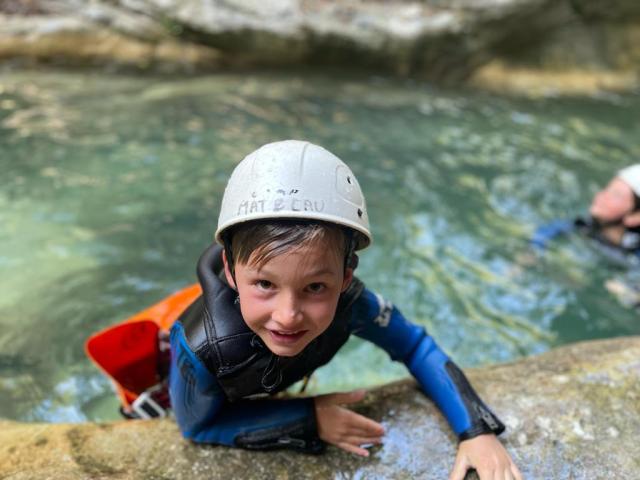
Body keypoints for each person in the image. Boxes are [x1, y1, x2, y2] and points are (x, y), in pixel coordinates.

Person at [165, 140, 521, 479]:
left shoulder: (353, 304)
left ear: (345, 277)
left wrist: (475, 430)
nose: (288, 315)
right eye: (265, 284)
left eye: (316, 287)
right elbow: (197, 426)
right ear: (229, 270)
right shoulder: (204, 347)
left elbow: (414, 345)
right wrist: (309, 419)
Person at [530, 164, 640, 304]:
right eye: (606, 189)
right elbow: (542, 236)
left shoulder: (635, 253)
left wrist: (629, 293)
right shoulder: (580, 225)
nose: (601, 196)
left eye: (616, 196)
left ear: (636, 216)